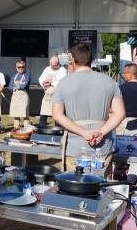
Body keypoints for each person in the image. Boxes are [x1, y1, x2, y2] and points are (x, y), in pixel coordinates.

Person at [53, 44, 125, 175]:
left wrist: (84, 133)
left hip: (75, 144)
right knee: (101, 188)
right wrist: (101, 132)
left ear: (73, 60)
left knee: (74, 187)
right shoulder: (110, 82)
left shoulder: (63, 83)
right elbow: (120, 113)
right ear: (91, 60)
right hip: (103, 144)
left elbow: (57, 115)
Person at [38, 56, 67, 128]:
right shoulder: (47, 69)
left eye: (55, 66)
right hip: (47, 95)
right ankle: (41, 128)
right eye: (52, 66)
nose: (53, 67)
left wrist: (51, 83)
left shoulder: (63, 70)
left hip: (57, 96)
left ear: (58, 63)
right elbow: (41, 78)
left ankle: (57, 128)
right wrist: (44, 84)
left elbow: (62, 81)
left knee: (57, 114)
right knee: (44, 113)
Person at [8, 61, 31, 129]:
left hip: (23, 96)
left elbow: (24, 86)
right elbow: (9, 87)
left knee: (25, 113)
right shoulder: (14, 76)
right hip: (15, 96)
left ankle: (27, 128)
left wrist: (15, 86)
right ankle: (16, 127)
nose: (21, 68)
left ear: (24, 67)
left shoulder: (27, 76)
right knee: (16, 113)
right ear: (16, 68)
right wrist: (17, 86)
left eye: (22, 67)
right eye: (19, 67)